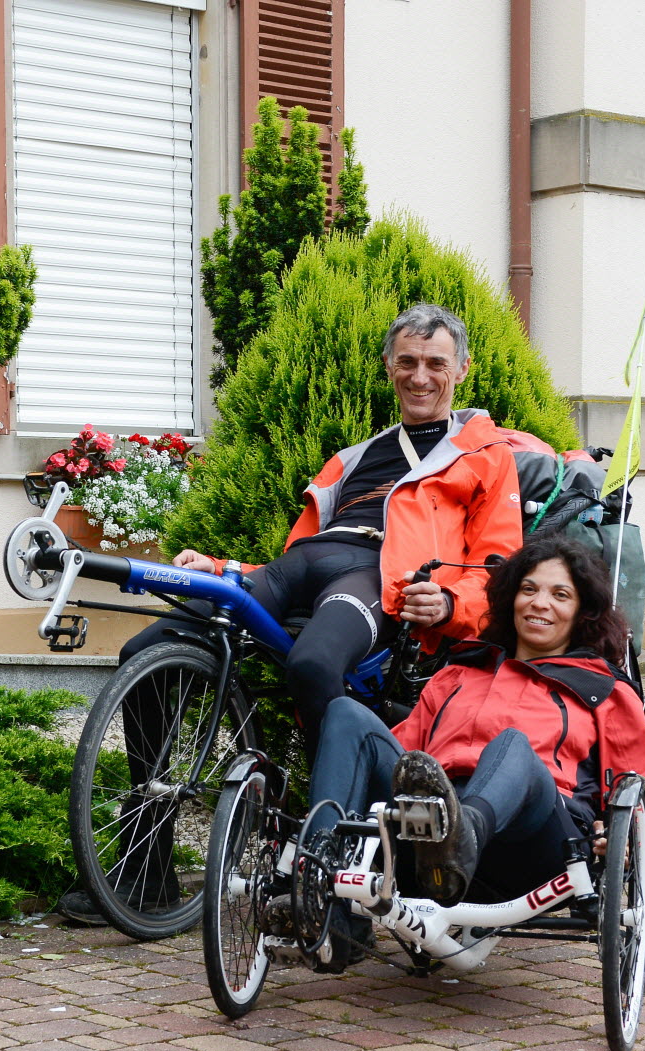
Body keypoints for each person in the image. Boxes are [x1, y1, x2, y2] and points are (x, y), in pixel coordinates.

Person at [58, 304, 525, 925]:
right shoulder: (354, 458)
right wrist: (224, 570)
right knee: (145, 650)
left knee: (312, 662)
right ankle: (146, 870)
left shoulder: (487, 456)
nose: (420, 376)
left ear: (460, 371)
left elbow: (501, 569)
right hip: (305, 564)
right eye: (407, 362)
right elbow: (292, 556)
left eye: (435, 363)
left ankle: (335, 863)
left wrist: (449, 603)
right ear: (389, 367)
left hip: (378, 578)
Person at [298, 534, 645, 968]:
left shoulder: (601, 689)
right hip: (426, 836)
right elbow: (403, 756)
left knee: (512, 743)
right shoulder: (457, 674)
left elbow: (639, 786)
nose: (539, 603)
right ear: (511, 598)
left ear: (582, 612)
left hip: (532, 842)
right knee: (344, 712)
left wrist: (624, 841)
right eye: (528, 589)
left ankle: (463, 832)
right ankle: (319, 884)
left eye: (559, 594)